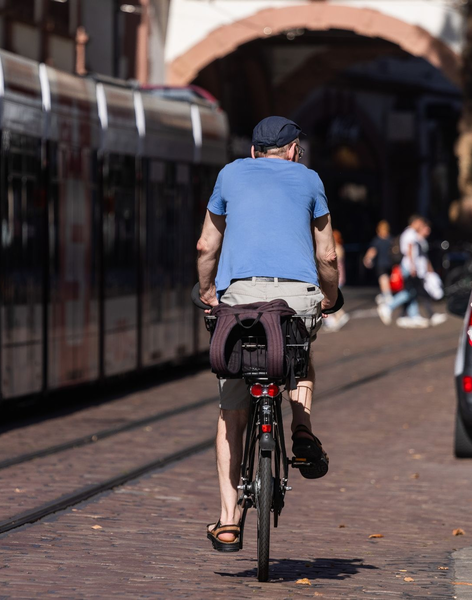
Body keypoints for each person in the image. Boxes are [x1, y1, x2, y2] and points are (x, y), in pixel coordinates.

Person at [196, 116, 339, 552]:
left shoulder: (229, 174)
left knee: (231, 410)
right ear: (295, 150)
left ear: (255, 151)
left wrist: (207, 293)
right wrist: (329, 297)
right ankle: (302, 428)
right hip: (296, 298)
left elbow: (206, 246)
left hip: (239, 300)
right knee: (299, 347)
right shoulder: (310, 179)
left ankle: (227, 519)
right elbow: (327, 254)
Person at [377, 215, 447, 328]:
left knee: (412, 291)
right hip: (409, 266)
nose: (421, 225)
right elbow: (409, 249)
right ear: (415, 222)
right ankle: (389, 306)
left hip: (410, 266)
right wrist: (412, 266)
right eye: (419, 222)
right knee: (410, 291)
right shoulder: (410, 233)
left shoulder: (410, 233)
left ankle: (412, 315)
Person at [322, 230, 350, 332]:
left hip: (336, 277)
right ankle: (335, 318)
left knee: (330, 299)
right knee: (331, 298)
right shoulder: (337, 248)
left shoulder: (337, 248)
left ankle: (339, 316)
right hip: (336, 277)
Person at [363, 220, 393, 305]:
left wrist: (367, 259)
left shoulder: (377, 240)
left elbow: (372, 251)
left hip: (381, 264)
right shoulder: (391, 239)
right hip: (390, 263)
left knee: (383, 279)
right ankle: (385, 295)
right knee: (388, 279)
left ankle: (387, 296)